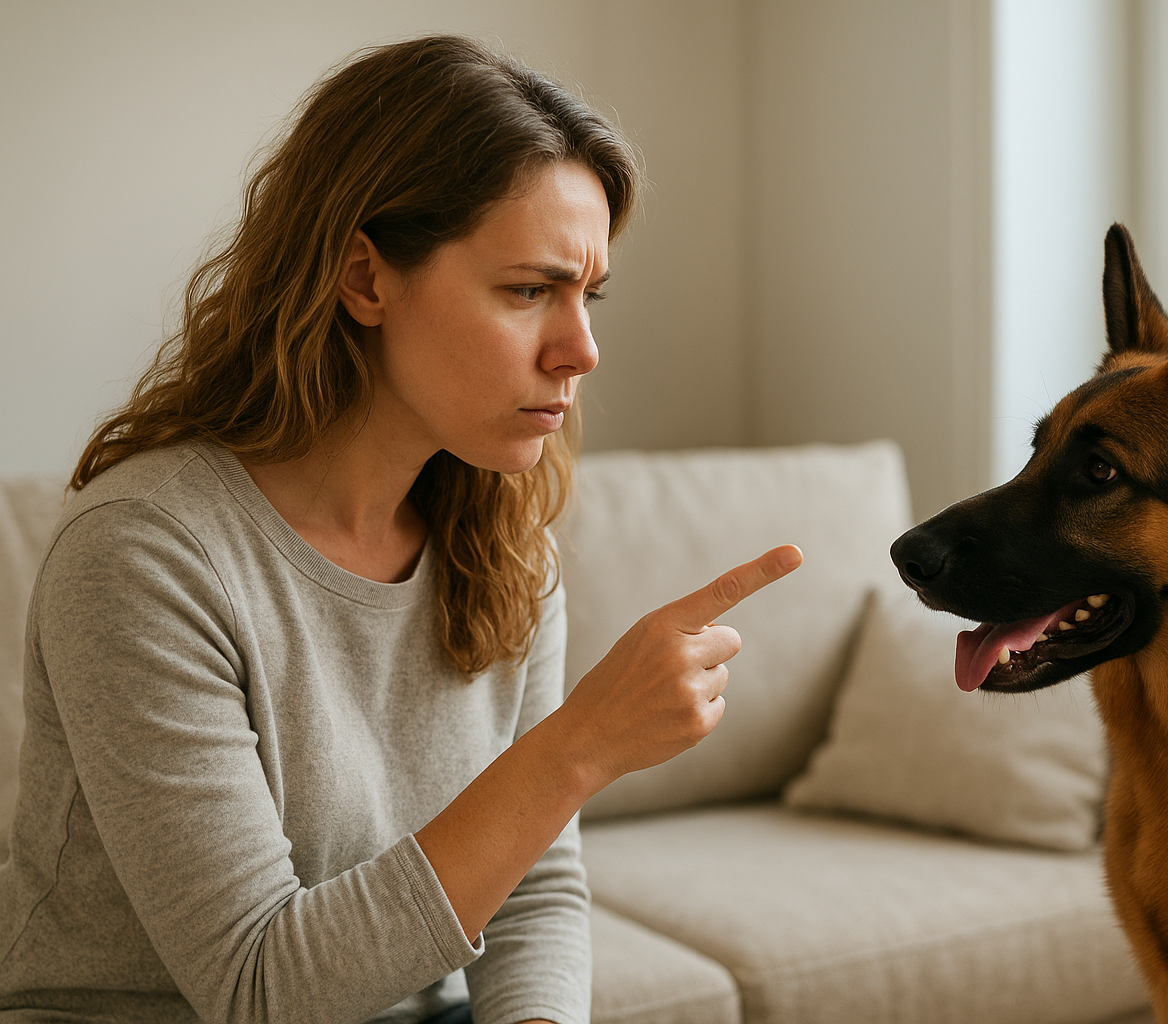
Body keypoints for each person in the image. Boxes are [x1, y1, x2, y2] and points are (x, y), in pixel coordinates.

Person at [0, 34, 799, 1024]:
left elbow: (534, 888)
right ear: (366, 280)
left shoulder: (505, 542)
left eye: (587, 295)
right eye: (527, 290)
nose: (580, 349)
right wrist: (582, 745)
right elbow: (259, 988)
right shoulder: (144, 555)